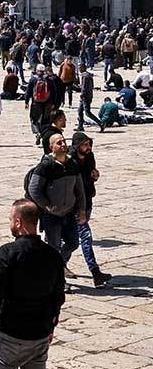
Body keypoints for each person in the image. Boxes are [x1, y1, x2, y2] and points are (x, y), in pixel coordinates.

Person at [0, 199, 65, 369]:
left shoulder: (8, 252)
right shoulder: (53, 255)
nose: (9, 223)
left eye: (10, 219)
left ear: (19, 222)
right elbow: (58, 296)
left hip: (10, 334)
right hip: (39, 335)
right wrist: (51, 326)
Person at [28, 133, 85, 281]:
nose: (63, 144)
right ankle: (58, 279)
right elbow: (33, 189)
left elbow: (79, 189)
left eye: (64, 141)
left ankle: (59, 265)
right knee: (53, 246)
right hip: (52, 215)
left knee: (73, 242)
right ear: (51, 147)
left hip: (68, 212)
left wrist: (82, 209)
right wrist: (45, 205)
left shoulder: (72, 164)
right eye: (59, 143)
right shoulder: (46, 166)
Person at [68, 131, 113, 288]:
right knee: (84, 236)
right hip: (74, 206)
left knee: (71, 240)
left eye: (89, 144)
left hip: (88, 201)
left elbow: (91, 173)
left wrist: (95, 175)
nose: (88, 147)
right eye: (84, 145)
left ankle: (60, 265)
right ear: (77, 145)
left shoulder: (89, 156)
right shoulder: (70, 160)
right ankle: (95, 272)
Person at [76, 65, 101, 131]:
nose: (79, 69)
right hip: (88, 95)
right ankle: (80, 126)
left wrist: (82, 94)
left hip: (85, 97)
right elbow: (92, 86)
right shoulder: (89, 76)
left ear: (82, 68)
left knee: (87, 113)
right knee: (80, 111)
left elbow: (84, 87)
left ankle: (100, 123)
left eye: (80, 68)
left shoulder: (84, 76)